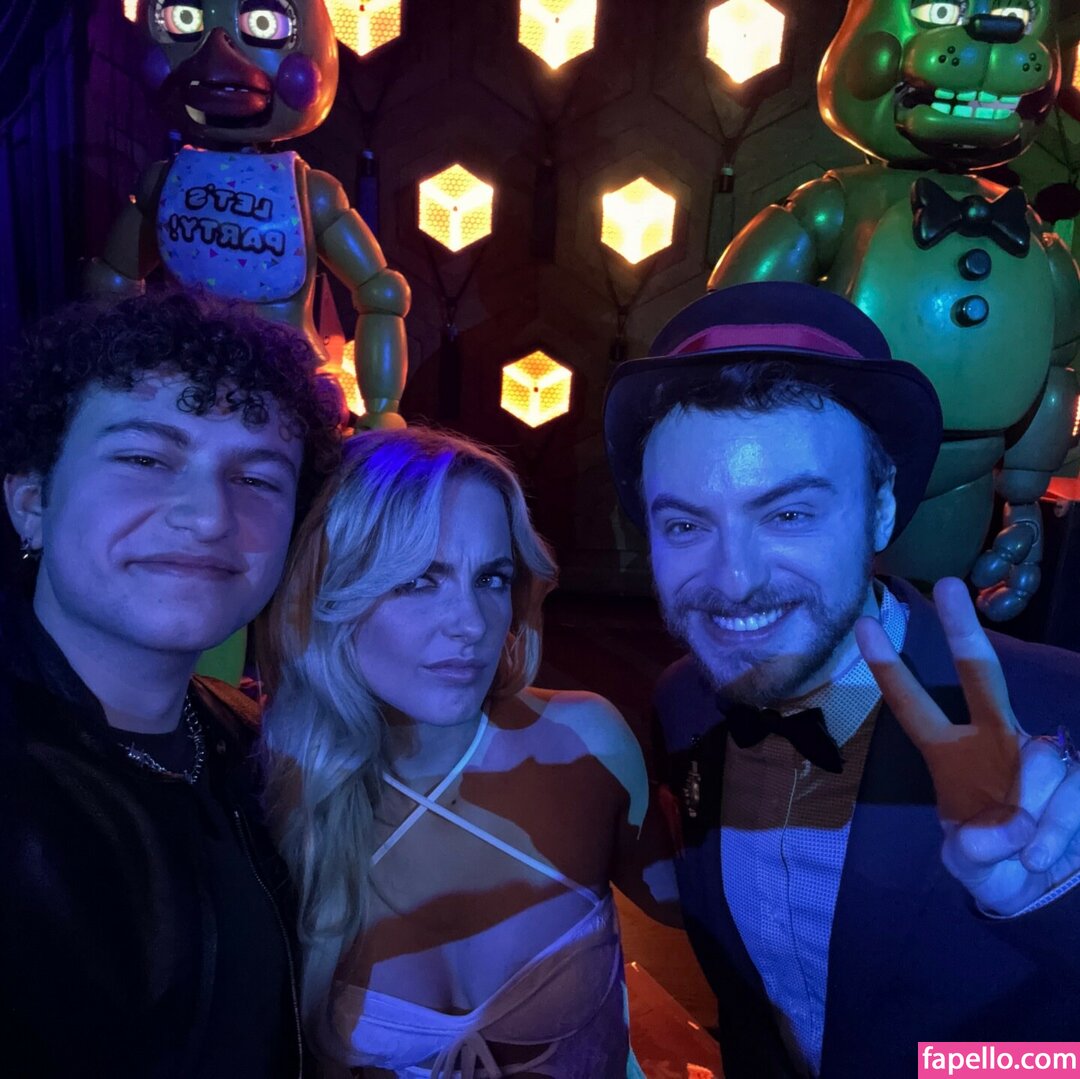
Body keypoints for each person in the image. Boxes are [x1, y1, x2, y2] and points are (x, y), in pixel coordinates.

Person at [602, 281, 1080, 1079]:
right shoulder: (682, 703)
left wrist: (1058, 897)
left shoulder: (1062, 709)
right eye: (685, 523)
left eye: (788, 514)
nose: (735, 579)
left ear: (880, 508)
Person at [261, 426, 677, 1078]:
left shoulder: (582, 746)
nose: (472, 623)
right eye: (419, 581)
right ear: (332, 590)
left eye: (491, 578)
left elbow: (740, 933)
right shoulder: (272, 797)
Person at [0, 289, 341, 1078]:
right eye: (146, 459)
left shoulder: (247, 740)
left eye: (257, 478)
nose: (209, 515)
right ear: (32, 501)